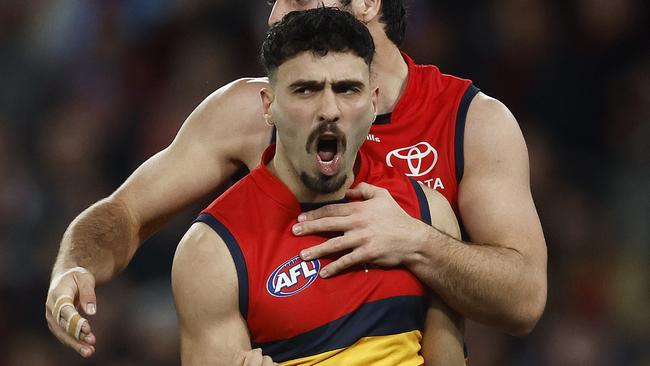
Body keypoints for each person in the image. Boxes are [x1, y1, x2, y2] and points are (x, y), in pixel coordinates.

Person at [46, 0, 547, 359]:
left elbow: (524, 300)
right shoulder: (252, 109)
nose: (274, 14)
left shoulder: (471, 122)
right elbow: (126, 212)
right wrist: (73, 263)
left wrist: (417, 243)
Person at [173, 9, 464, 365]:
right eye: (306, 90)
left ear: (372, 103)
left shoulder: (427, 216)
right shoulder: (213, 252)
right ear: (269, 106)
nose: (329, 109)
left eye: (347, 89)